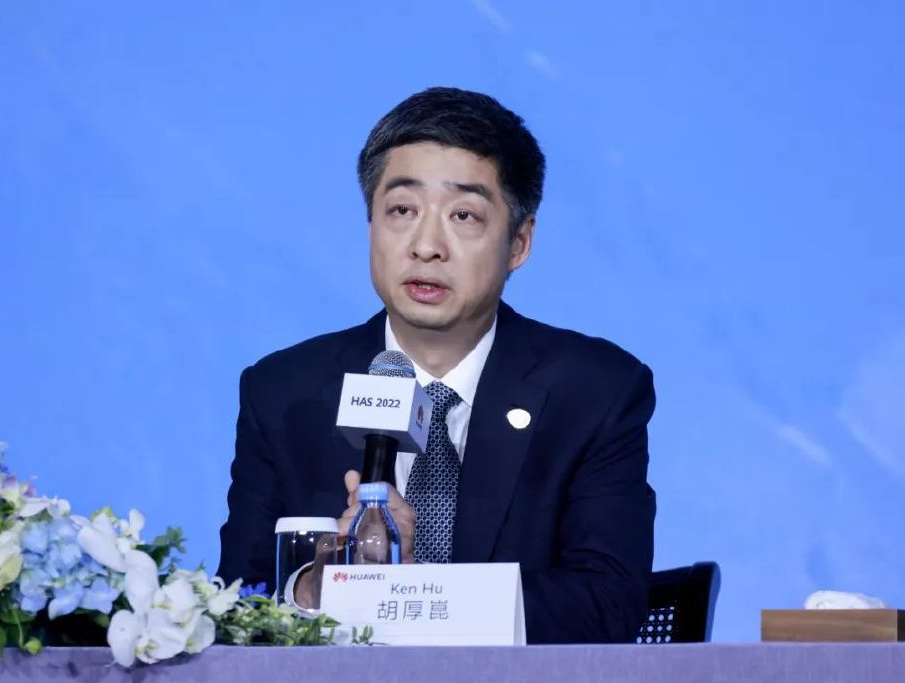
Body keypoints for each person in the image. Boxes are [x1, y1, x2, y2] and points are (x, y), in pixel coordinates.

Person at [217, 87, 656, 643]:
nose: (426, 246)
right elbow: (236, 602)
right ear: (371, 224)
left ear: (519, 243)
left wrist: (410, 594)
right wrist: (315, 590)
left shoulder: (595, 391)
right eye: (402, 211)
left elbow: (608, 604)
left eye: (463, 215)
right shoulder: (284, 392)